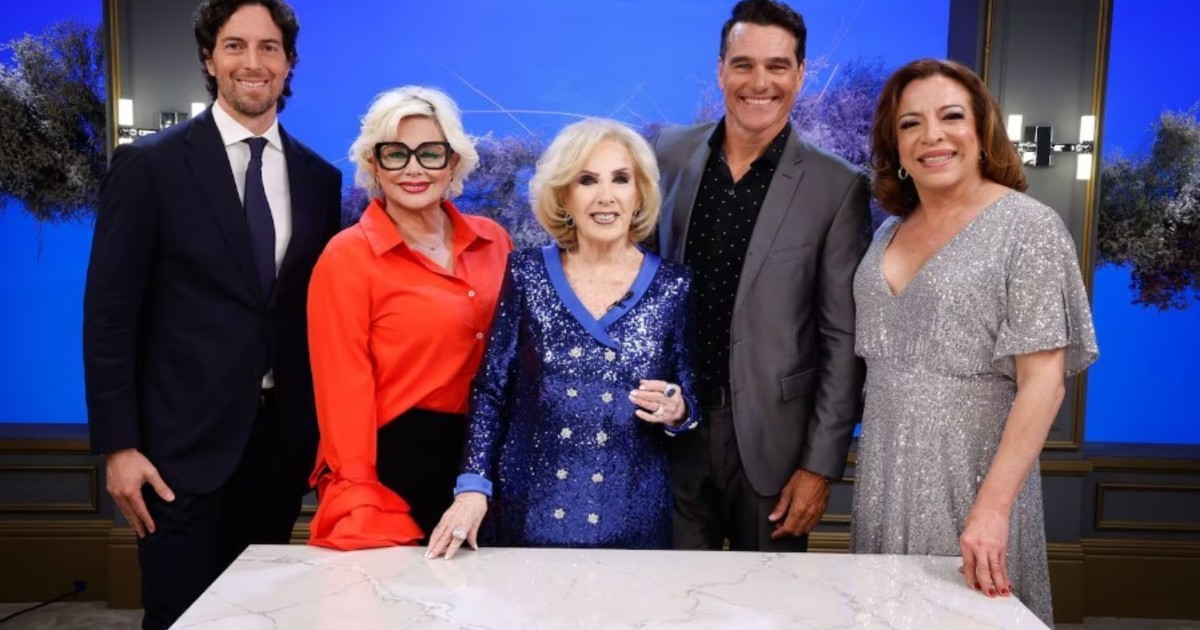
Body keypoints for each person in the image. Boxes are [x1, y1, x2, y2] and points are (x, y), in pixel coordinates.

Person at [82, 1, 341, 627]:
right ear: (208, 58)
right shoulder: (149, 166)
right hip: (174, 451)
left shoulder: (319, 179)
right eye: (234, 45)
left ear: (288, 62)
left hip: (278, 449)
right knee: (179, 617)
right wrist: (118, 447)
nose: (253, 62)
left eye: (269, 47)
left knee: (261, 616)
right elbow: (109, 315)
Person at [850, 58, 1099, 627]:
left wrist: (992, 509)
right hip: (886, 469)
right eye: (910, 123)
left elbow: (1043, 384)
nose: (931, 135)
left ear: (982, 131)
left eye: (951, 117)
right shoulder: (888, 230)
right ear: (895, 144)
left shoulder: (1029, 228)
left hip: (972, 474)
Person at [426, 118, 700, 559]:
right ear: (564, 196)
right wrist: (472, 488)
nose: (606, 196)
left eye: (621, 179)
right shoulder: (527, 273)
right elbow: (492, 390)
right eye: (587, 180)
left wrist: (677, 409)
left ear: (640, 194)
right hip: (527, 516)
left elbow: (690, 399)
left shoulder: (674, 285)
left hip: (633, 522)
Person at [652, 0, 871, 552]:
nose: (759, 82)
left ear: (800, 74)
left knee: (771, 596)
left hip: (775, 446)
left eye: (777, 66)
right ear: (720, 69)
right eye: (743, 64)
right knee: (667, 594)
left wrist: (820, 466)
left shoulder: (836, 186)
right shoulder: (667, 154)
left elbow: (842, 340)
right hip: (671, 431)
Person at [306, 86, 512, 550]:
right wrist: (359, 490)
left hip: (490, 461)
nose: (414, 168)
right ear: (374, 164)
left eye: (430, 153)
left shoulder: (495, 241)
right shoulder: (347, 257)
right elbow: (342, 389)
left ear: (453, 162)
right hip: (397, 465)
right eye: (396, 154)